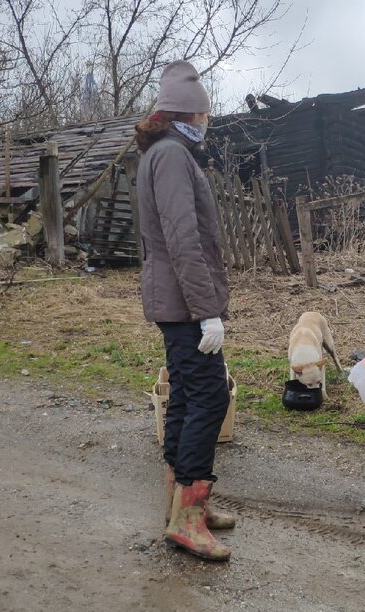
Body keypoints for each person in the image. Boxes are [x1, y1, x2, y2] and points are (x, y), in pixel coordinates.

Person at [135, 60, 236, 561]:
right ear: (190, 114)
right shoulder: (174, 155)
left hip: (173, 300)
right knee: (210, 398)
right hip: (183, 303)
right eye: (205, 114)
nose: (208, 121)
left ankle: (183, 501)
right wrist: (206, 310)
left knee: (186, 396)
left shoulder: (163, 151)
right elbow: (182, 239)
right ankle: (188, 519)